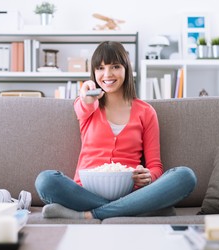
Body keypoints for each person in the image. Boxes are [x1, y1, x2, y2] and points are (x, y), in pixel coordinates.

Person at [35, 41, 197, 220]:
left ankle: (90, 214)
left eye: (115, 66)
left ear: (126, 68)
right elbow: (83, 106)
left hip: (130, 192)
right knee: (45, 180)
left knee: (184, 176)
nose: (107, 74)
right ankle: (141, 209)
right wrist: (86, 97)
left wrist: (148, 177)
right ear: (94, 73)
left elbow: (155, 166)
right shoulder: (89, 105)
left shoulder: (146, 112)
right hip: (84, 192)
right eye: (100, 68)